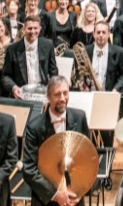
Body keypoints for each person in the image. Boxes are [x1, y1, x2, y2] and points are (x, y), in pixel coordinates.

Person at [21, 76, 91, 206]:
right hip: (46, 198)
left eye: (65, 93)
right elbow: (29, 169)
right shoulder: (35, 127)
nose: (62, 98)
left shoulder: (79, 117)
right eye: (57, 94)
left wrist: (80, 191)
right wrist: (55, 194)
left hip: (74, 197)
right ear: (48, 97)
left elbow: (87, 158)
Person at [0, 15, 58, 98]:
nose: (33, 31)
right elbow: (5, 76)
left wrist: (51, 87)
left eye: (35, 28)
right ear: (24, 29)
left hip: (42, 93)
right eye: (30, 28)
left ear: (40, 29)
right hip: (21, 94)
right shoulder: (12, 49)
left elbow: (53, 71)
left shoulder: (48, 45)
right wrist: (14, 88)